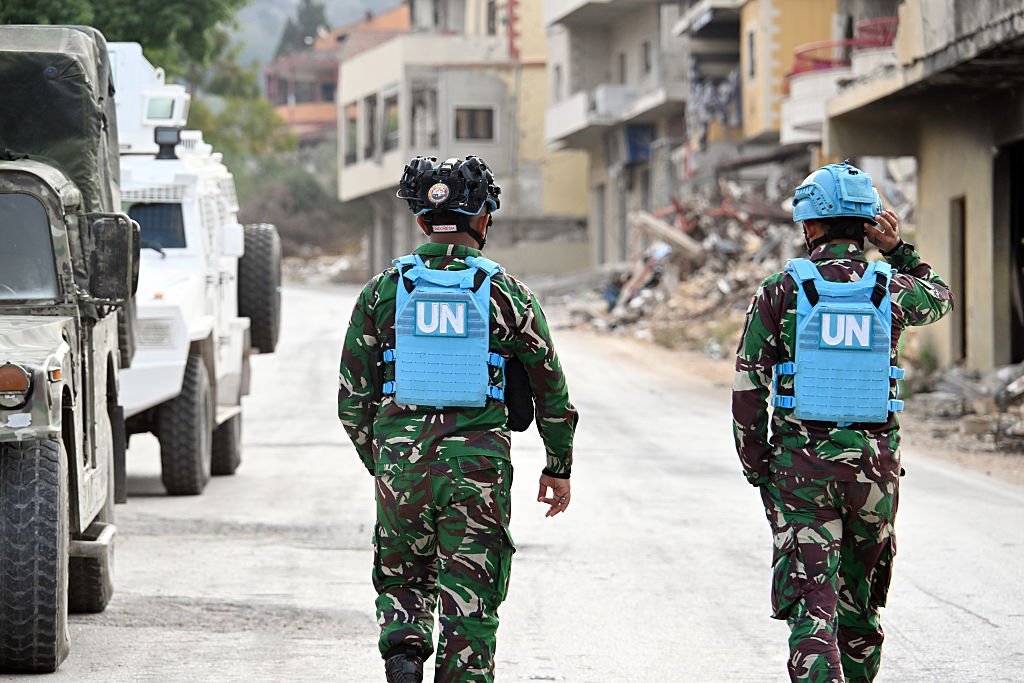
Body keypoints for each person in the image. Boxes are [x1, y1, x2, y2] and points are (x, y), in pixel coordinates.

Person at [338, 155, 578, 683]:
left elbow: (352, 398)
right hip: (477, 472)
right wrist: (557, 464)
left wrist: (383, 459)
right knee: (470, 604)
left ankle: (404, 650)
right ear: (484, 219)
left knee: (403, 578)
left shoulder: (382, 291)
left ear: (420, 220)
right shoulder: (507, 293)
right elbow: (551, 390)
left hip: (401, 467)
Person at [732, 161, 953, 682]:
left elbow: (748, 388)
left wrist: (759, 466)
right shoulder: (891, 287)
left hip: (800, 474)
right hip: (875, 475)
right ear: (868, 224)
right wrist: (900, 251)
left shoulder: (780, 291)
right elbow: (940, 297)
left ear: (809, 225)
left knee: (814, 608)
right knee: (859, 607)